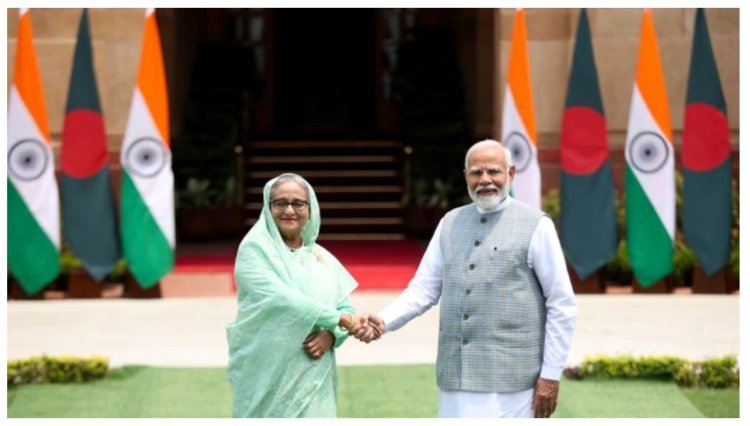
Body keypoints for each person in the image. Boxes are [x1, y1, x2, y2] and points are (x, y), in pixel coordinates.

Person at [354, 139, 578, 418]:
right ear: (466, 177)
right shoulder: (449, 222)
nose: (485, 180)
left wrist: (551, 374)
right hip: (456, 376)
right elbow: (423, 290)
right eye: (476, 172)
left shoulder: (536, 225)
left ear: (511, 173)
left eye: (493, 171)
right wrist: (383, 320)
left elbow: (562, 304)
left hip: (513, 381)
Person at [226, 172, 364, 418]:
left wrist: (332, 336)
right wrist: (339, 320)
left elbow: (346, 308)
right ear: (268, 208)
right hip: (267, 371)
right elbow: (282, 299)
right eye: (280, 202)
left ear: (310, 209)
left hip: (312, 371)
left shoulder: (320, 257)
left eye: (298, 203)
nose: (289, 210)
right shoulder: (254, 250)